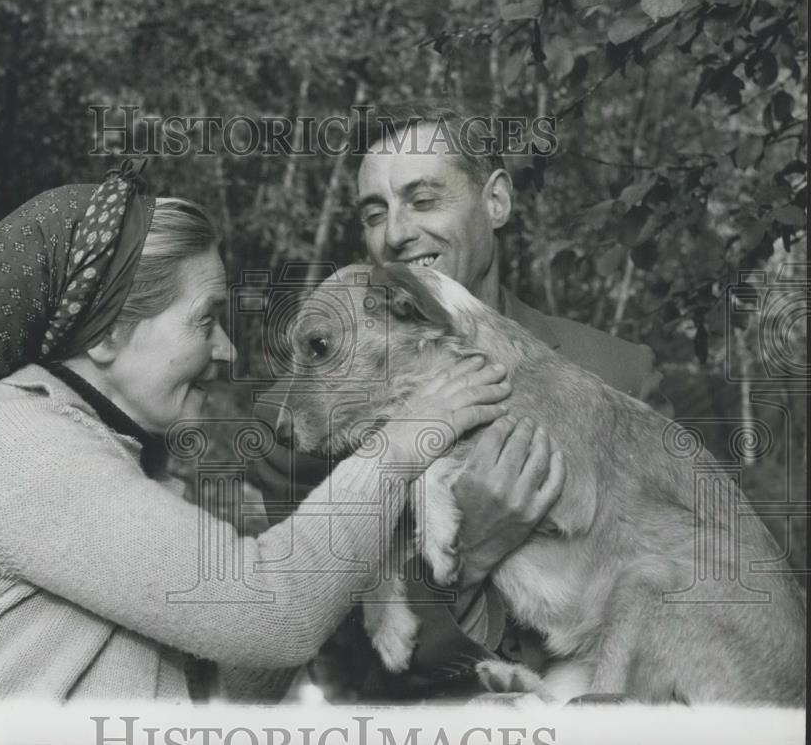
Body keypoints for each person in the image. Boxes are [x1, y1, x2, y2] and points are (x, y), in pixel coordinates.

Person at [0, 160, 513, 702]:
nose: (226, 349)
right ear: (109, 334)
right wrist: (401, 445)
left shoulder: (120, 456)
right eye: (205, 319)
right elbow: (273, 613)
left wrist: (299, 554)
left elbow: (238, 676)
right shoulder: (11, 439)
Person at [251, 104, 668, 701]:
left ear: (496, 202)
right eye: (375, 213)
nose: (395, 234)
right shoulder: (297, 423)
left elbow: (687, 597)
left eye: (423, 200)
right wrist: (473, 548)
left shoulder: (619, 373)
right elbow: (340, 666)